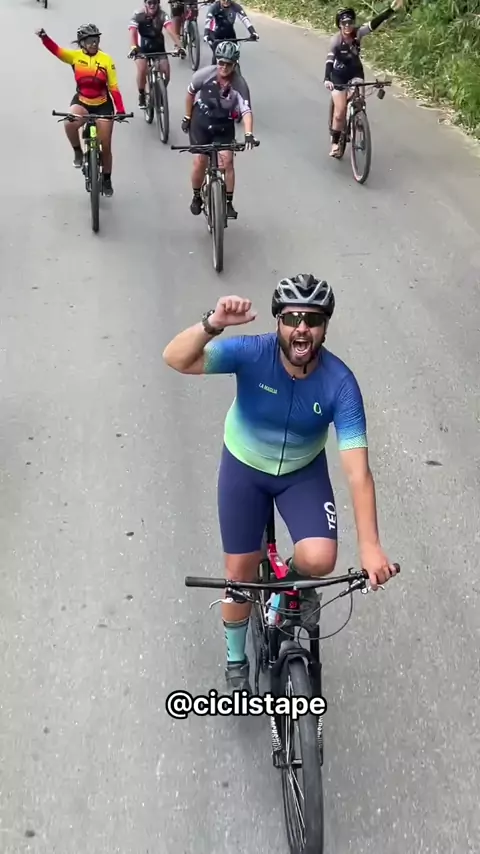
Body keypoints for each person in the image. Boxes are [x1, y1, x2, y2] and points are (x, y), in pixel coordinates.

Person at [162, 275, 399, 691]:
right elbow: (176, 358)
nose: (301, 328)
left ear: (325, 327)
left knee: (320, 559)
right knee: (239, 575)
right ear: (278, 323)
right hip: (244, 468)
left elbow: (358, 472)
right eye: (291, 318)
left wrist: (370, 547)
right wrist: (213, 324)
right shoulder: (253, 352)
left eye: (313, 319)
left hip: (301, 473)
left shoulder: (340, 384)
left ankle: (289, 585)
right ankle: (236, 659)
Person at [36, 24, 127, 196]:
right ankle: (78, 152)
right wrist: (44, 37)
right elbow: (56, 51)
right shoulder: (75, 57)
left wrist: (120, 109)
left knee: (106, 145)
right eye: (90, 40)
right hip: (82, 101)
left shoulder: (106, 59)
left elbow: (114, 87)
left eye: (96, 39)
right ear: (82, 43)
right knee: (69, 124)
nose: (94, 43)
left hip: (103, 104)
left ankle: (107, 179)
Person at [181, 41, 257, 220]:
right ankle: (196, 195)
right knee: (200, 161)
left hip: (223, 124)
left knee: (227, 162)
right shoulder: (203, 75)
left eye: (228, 64)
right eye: (221, 62)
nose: (224, 67)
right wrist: (187, 117)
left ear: (235, 65)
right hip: (201, 121)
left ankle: (228, 202)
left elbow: (246, 111)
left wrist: (248, 134)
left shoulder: (240, 84)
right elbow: (190, 94)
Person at [324, 0, 404, 157]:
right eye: (344, 23)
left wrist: (391, 10)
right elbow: (329, 60)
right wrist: (327, 78)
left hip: (355, 71)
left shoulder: (358, 33)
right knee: (339, 113)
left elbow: (374, 24)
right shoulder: (336, 41)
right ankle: (335, 143)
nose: (347, 26)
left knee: (359, 101)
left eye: (350, 22)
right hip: (338, 75)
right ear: (339, 25)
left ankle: (358, 119)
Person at [129, 0, 185, 109]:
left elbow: (170, 30)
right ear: (145, 4)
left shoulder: (162, 15)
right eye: (149, 2)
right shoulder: (138, 15)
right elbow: (132, 32)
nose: (152, 5)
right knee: (142, 69)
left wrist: (180, 46)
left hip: (158, 45)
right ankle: (141, 94)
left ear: (158, 4)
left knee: (166, 73)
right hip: (142, 47)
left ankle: (161, 94)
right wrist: (133, 47)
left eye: (155, 3)